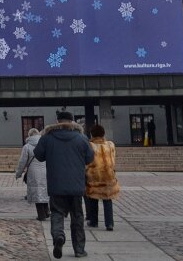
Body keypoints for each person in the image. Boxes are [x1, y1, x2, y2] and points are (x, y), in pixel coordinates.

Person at [34, 110, 95, 259]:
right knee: (77, 217)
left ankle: (58, 236)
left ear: (58, 121)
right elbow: (90, 158)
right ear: (72, 121)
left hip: (56, 185)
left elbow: (38, 155)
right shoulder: (81, 138)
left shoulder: (48, 137)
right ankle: (79, 249)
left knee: (57, 213)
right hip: (76, 185)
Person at [85, 123, 120, 230]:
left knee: (92, 198)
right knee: (107, 199)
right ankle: (109, 223)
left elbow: (86, 160)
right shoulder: (110, 145)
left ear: (92, 134)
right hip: (108, 175)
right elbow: (113, 159)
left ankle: (94, 221)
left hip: (94, 175)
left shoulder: (90, 145)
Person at [15, 127, 50, 221]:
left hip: (33, 171)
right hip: (46, 169)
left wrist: (18, 173)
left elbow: (22, 162)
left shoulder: (27, 146)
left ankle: (41, 215)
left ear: (29, 136)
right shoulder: (45, 144)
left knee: (36, 192)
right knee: (45, 191)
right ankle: (46, 211)